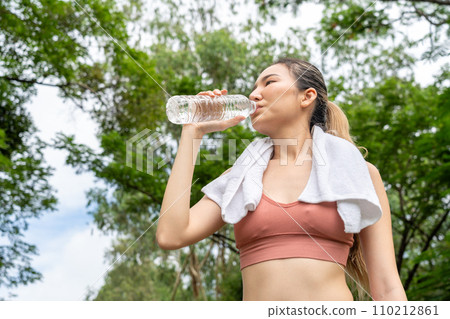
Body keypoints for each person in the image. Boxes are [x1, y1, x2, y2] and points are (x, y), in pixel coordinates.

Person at [156, 57, 407, 301]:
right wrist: (192, 132)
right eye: (254, 87)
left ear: (306, 97)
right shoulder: (240, 178)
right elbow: (171, 235)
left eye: (269, 82)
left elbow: (387, 289)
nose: (254, 94)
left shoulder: (354, 172)